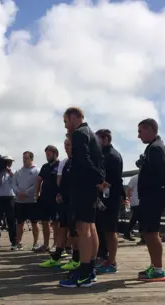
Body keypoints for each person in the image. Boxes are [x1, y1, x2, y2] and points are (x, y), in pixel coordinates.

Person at [59, 107, 105, 288]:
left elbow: (84, 160)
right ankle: (89, 268)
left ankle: (84, 273)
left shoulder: (78, 134)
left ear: (73, 117)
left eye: (65, 122)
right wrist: (99, 178)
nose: (65, 126)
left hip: (83, 186)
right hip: (90, 187)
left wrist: (98, 179)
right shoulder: (91, 134)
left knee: (83, 228)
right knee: (91, 227)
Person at [136, 118, 165, 282]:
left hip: (153, 196)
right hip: (150, 196)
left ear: (150, 129)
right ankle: (154, 265)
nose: (138, 136)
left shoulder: (156, 148)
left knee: (152, 232)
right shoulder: (153, 148)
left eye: (140, 131)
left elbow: (164, 173)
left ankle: (158, 269)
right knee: (148, 232)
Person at [40, 136, 80, 271]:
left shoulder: (80, 161)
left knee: (74, 231)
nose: (66, 147)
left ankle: (76, 259)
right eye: (65, 145)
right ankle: (56, 256)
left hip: (76, 200)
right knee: (62, 227)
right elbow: (59, 181)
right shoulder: (65, 162)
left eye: (69, 145)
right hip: (64, 200)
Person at [95, 129, 124, 274]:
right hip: (103, 199)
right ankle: (104, 257)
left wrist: (101, 185)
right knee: (103, 229)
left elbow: (114, 180)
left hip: (111, 198)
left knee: (111, 231)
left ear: (105, 139)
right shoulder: (103, 154)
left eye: (97, 138)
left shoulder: (113, 156)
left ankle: (112, 262)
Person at [36, 145, 61, 253]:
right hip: (44, 197)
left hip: (56, 198)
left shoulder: (61, 165)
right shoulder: (44, 166)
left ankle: (56, 244)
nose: (47, 156)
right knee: (44, 221)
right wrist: (37, 194)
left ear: (55, 154)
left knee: (56, 222)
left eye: (49, 154)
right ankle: (46, 244)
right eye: (46, 154)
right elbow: (39, 180)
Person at [14, 151, 40, 250]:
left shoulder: (37, 170)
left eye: (26, 158)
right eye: (23, 158)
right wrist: (18, 192)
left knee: (34, 223)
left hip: (32, 201)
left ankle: (35, 243)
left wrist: (26, 193)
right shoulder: (18, 171)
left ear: (31, 159)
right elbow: (14, 184)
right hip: (20, 201)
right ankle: (18, 243)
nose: (24, 160)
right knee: (19, 223)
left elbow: (36, 184)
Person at [0, 156, 18, 249]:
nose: (9, 163)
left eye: (10, 162)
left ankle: (14, 241)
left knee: (11, 220)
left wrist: (8, 171)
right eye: (7, 162)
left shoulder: (13, 171)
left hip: (9, 197)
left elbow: (16, 180)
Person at [124, 173, 140, 241]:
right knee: (136, 218)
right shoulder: (135, 178)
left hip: (138, 201)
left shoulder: (135, 177)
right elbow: (128, 190)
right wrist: (128, 200)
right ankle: (127, 233)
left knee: (135, 218)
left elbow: (128, 190)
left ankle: (127, 233)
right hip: (136, 202)